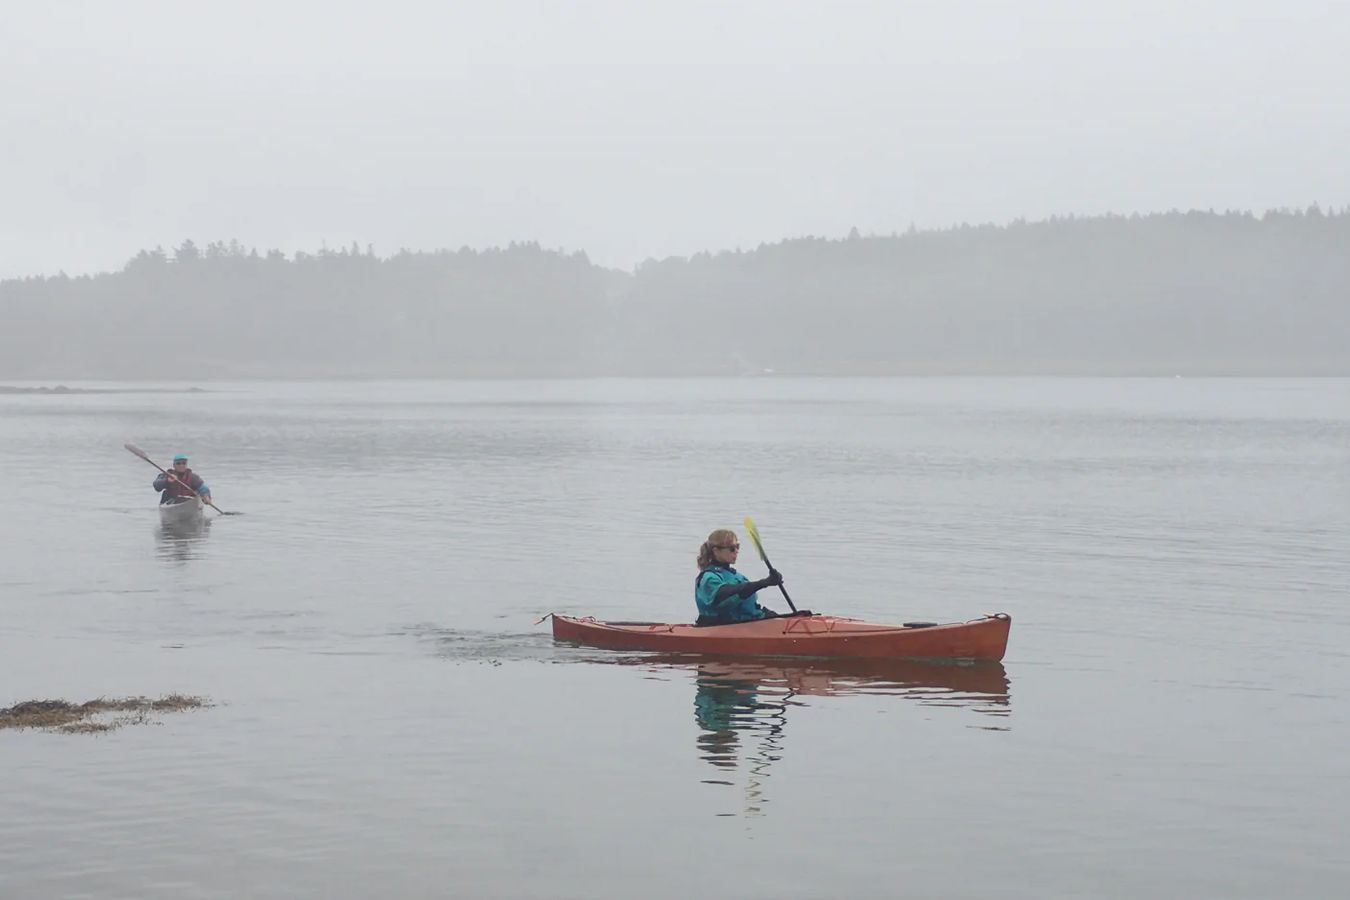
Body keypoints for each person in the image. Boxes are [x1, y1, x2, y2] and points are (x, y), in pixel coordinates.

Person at [694, 529, 783, 625]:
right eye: (732, 548)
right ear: (716, 551)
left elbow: (747, 595)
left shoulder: (738, 576)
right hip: (721, 625)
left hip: (749, 622)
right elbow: (725, 594)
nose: (736, 551)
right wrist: (763, 583)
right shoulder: (708, 578)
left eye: (737, 547)